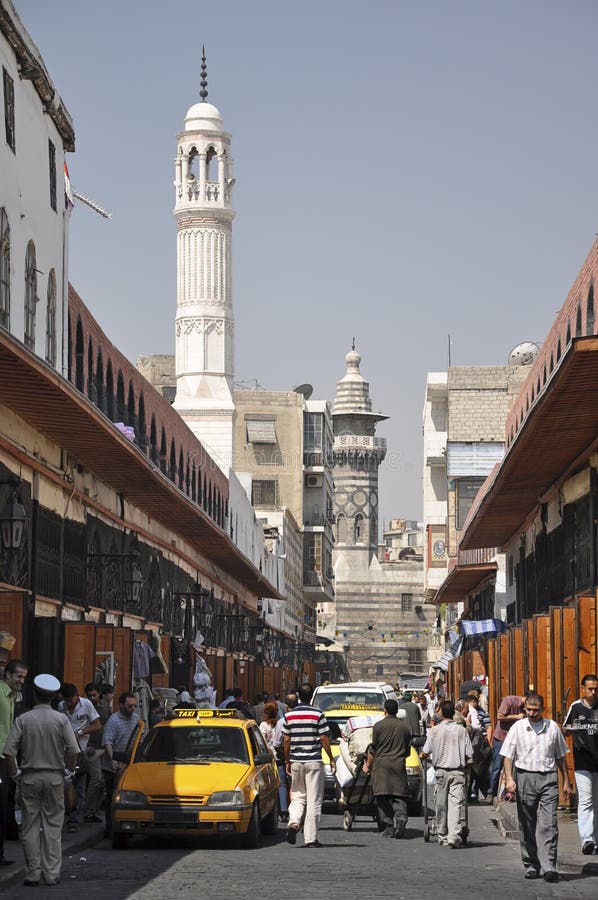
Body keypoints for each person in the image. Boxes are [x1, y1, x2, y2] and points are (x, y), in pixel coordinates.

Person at [3, 673, 79, 886]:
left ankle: (33, 872)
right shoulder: (61, 719)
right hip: (54, 777)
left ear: (35, 695)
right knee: (53, 827)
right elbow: (73, 750)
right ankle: (51, 873)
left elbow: (9, 752)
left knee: (29, 826)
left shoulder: (24, 719)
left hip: (29, 778)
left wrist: (15, 774)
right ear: (55, 697)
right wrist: (69, 772)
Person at [501, 692, 571, 883]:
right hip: (524, 777)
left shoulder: (552, 728)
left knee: (549, 824)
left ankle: (549, 866)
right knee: (527, 823)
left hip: (548, 778)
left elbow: (561, 756)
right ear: (525, 709)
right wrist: (509, 779)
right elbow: (508, 756)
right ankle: (531, 864)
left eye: (535, 710)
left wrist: (566, 780)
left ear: (543, 709)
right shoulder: (518, 727)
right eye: (528, 710)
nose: (531, 713)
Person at [282, 682, 335, 848]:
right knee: (314, 799)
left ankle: (294, 822)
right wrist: (331, 758)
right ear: (312, 696)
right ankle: (311, 838)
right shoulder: (318, 714)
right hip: (313, 761)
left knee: (297, 795)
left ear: (298, 695)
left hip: (296, 761)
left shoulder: (288, 716)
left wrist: (287, 760)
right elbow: (324, 739)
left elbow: (286, 740)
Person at [421, 700, 473, 848]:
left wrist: (423, 755)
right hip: (457, 771)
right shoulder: (462, 730)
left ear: (441, 713)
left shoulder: (435, 730)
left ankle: (442, 834)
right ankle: (454, 835)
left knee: (441, 804)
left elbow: (426, 751)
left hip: (441, 772)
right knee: (455, 804)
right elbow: (469, 754)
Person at [363, 699, 412, 838]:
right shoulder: (405, 727)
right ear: (397, 711)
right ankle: (401, 818)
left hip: (381, 765)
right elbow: (407, 750)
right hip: (398, 764)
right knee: (399, 795)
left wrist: (368, 765)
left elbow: (373, 748)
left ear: (385, 710)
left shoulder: (378, 726)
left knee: (382, 795)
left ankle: (389, 825)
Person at [58, 683, 101, 833]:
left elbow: (96, 725)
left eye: (71, 700)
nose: (69, 703)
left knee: (79, 785)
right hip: (65, 751)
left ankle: (75, 820)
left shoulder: (86, 705)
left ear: (76, 696)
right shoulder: (60, 706)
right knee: (64, 784)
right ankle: (65, 815)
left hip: (81, 749)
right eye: (67, 701)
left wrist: (80, 732)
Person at [562, 673, 598, 855]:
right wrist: (570, 730)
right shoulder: (576, 707)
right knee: (586, 800)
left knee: (596, 802)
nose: (593, 692)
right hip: (583, 761)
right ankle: (587, 839)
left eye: (596, 689)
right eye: (590, 689)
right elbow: (565, 729)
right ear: (583, 689)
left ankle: (595, 840)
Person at [0, 658, 27, 868]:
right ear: (7, 675)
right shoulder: (1, 693)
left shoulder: (13, 697)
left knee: (5, 805)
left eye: (23, 677)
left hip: (7, 757)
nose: (21, 681)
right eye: (18, 676)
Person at [102, 692, 140, 839]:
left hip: (129, 764)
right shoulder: (114, 721)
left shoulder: (136, 719)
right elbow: (108, 742)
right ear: (122, 705)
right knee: (112, 797)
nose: (133, 709)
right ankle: (110, 828)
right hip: (114, 764)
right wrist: (112, 759)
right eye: (130, 706)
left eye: (135, 706)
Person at [488, 693, 526, 800]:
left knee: (514, 765)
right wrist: (517, 717)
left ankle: (510, 792)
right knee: (497, 765)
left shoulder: (526, 709)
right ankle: (491, 792)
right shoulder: (509, 700)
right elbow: (499, 716)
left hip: (515, 739)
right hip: (502, 737)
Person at [83, 683, 111, 823]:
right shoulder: (85, 706)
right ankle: (88, 812)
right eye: (89, 695)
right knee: (96, 780)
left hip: (103, 746)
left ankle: (94, 811)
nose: (92, 698)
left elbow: (108, 723)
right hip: (91, 747)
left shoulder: (105, 705)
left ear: (99, 694)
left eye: (94, 695)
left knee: (101, 783)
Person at [273, 692, 297, 823]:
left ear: (286, 706)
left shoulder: (282, 722)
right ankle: (297, 812)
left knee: (282, 784)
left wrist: (283, 755)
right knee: (298, 786)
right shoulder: (302, 718)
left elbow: (277, 742)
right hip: (300, 756)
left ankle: (284, 812)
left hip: (284, 757)